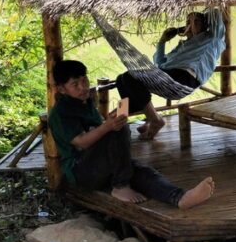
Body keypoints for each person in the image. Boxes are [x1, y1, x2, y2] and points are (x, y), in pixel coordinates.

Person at [48, 59, 215, 207]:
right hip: (82, 173)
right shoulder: (61, 112)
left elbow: (97, 130)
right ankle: (120, 186)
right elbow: (81, 142)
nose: (83, 87)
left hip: (103, 164)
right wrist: (107, 126)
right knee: (117, 131)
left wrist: (109, 121)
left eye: (84, 80)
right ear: (61, 89)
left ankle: (180, 198)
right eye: (75, 84)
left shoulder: (84, 102)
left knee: (142, 171)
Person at [115, 9, 227, 139]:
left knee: (130, 77)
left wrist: (210, 2)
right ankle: (121, 117)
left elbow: (216, 14)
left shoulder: (211, 39)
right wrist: (162, 41)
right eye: (188, 22)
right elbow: (160, 63)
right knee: (121, 79)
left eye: (196, 22)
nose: (190, 25)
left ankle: (154, 120)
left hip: (185, 78)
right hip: (168, 75)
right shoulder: (182, 46)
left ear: (205, 26)